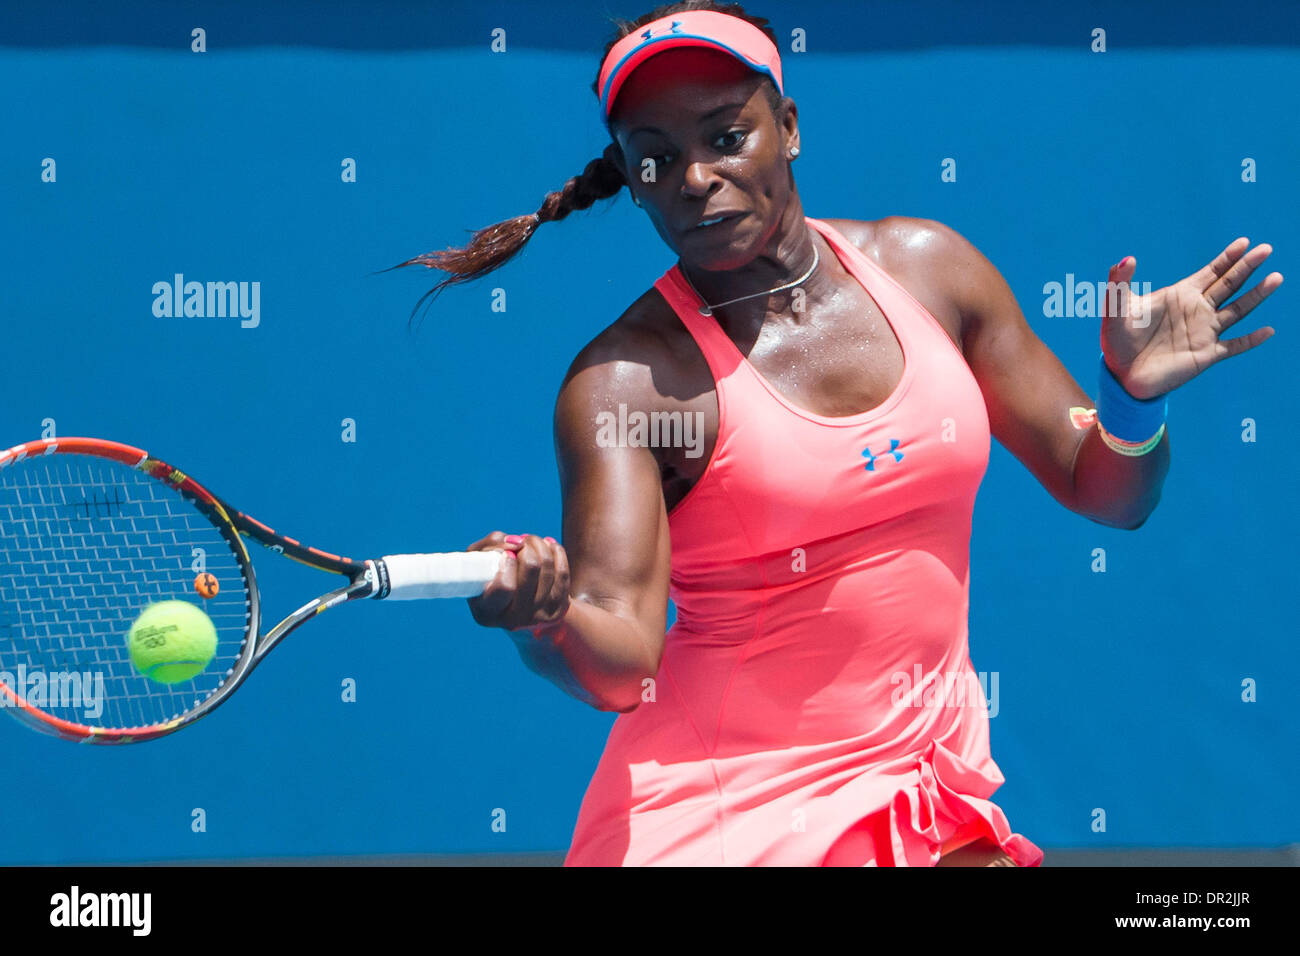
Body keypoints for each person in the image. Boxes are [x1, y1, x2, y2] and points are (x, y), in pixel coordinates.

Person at [395, 2, 1281, 866]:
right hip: (723, 814)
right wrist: (545, 619)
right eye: (657, 159)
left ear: (788, 127)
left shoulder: (932, 271)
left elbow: (1110, 493)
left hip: (920, 787)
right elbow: (622, 660)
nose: (696, 177)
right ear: (631, 183)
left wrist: (1129, 400)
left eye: (726, 136)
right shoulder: (627, 381)